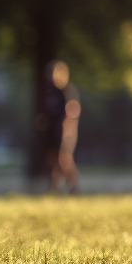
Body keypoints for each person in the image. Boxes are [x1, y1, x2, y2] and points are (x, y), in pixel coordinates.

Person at [35, 59, 81, 194]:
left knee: (63, 159)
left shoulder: (65, 91)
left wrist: (66, 129)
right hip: (50, 132)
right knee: (51, 159)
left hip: (63, 132)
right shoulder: (48, 92)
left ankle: (73, 185)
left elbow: (72, 111)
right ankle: (54, 186)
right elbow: (44, 114)